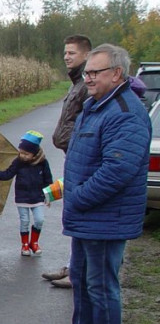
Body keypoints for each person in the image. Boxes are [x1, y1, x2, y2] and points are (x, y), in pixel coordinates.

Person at [40, 44, 151, 324]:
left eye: (93, 72)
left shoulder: (125, 112)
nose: (86, 78)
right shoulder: (95, 105)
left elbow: (117, 170)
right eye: (86, 72)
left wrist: (78, 196)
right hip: (87, 217)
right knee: (84, 284)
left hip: (105, 219)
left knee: (103, 288)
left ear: (116, 73)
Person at [43, 35, 92, 287]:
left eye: (72, 53)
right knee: (73, 212)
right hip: (71, 154)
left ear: (86, 55)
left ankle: (77, 273)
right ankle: (73, 267)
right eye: (65, 53)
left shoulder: (86, 84)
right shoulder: (76, 83)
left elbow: (88, 123)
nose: (66, 57)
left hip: (81, 156)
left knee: (78, 213)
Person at [0, 130, 53, 256]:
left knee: (39, 219)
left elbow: (48, 180)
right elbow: (8, 174)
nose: (23, 156)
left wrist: (48, 195)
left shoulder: (43, 163)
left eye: (26, 154)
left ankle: (34, 242)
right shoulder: (18, 162)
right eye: (21, 152)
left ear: (34, 153)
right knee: (24, 221)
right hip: (22, 197)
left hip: (38, 197)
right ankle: (25, 244)